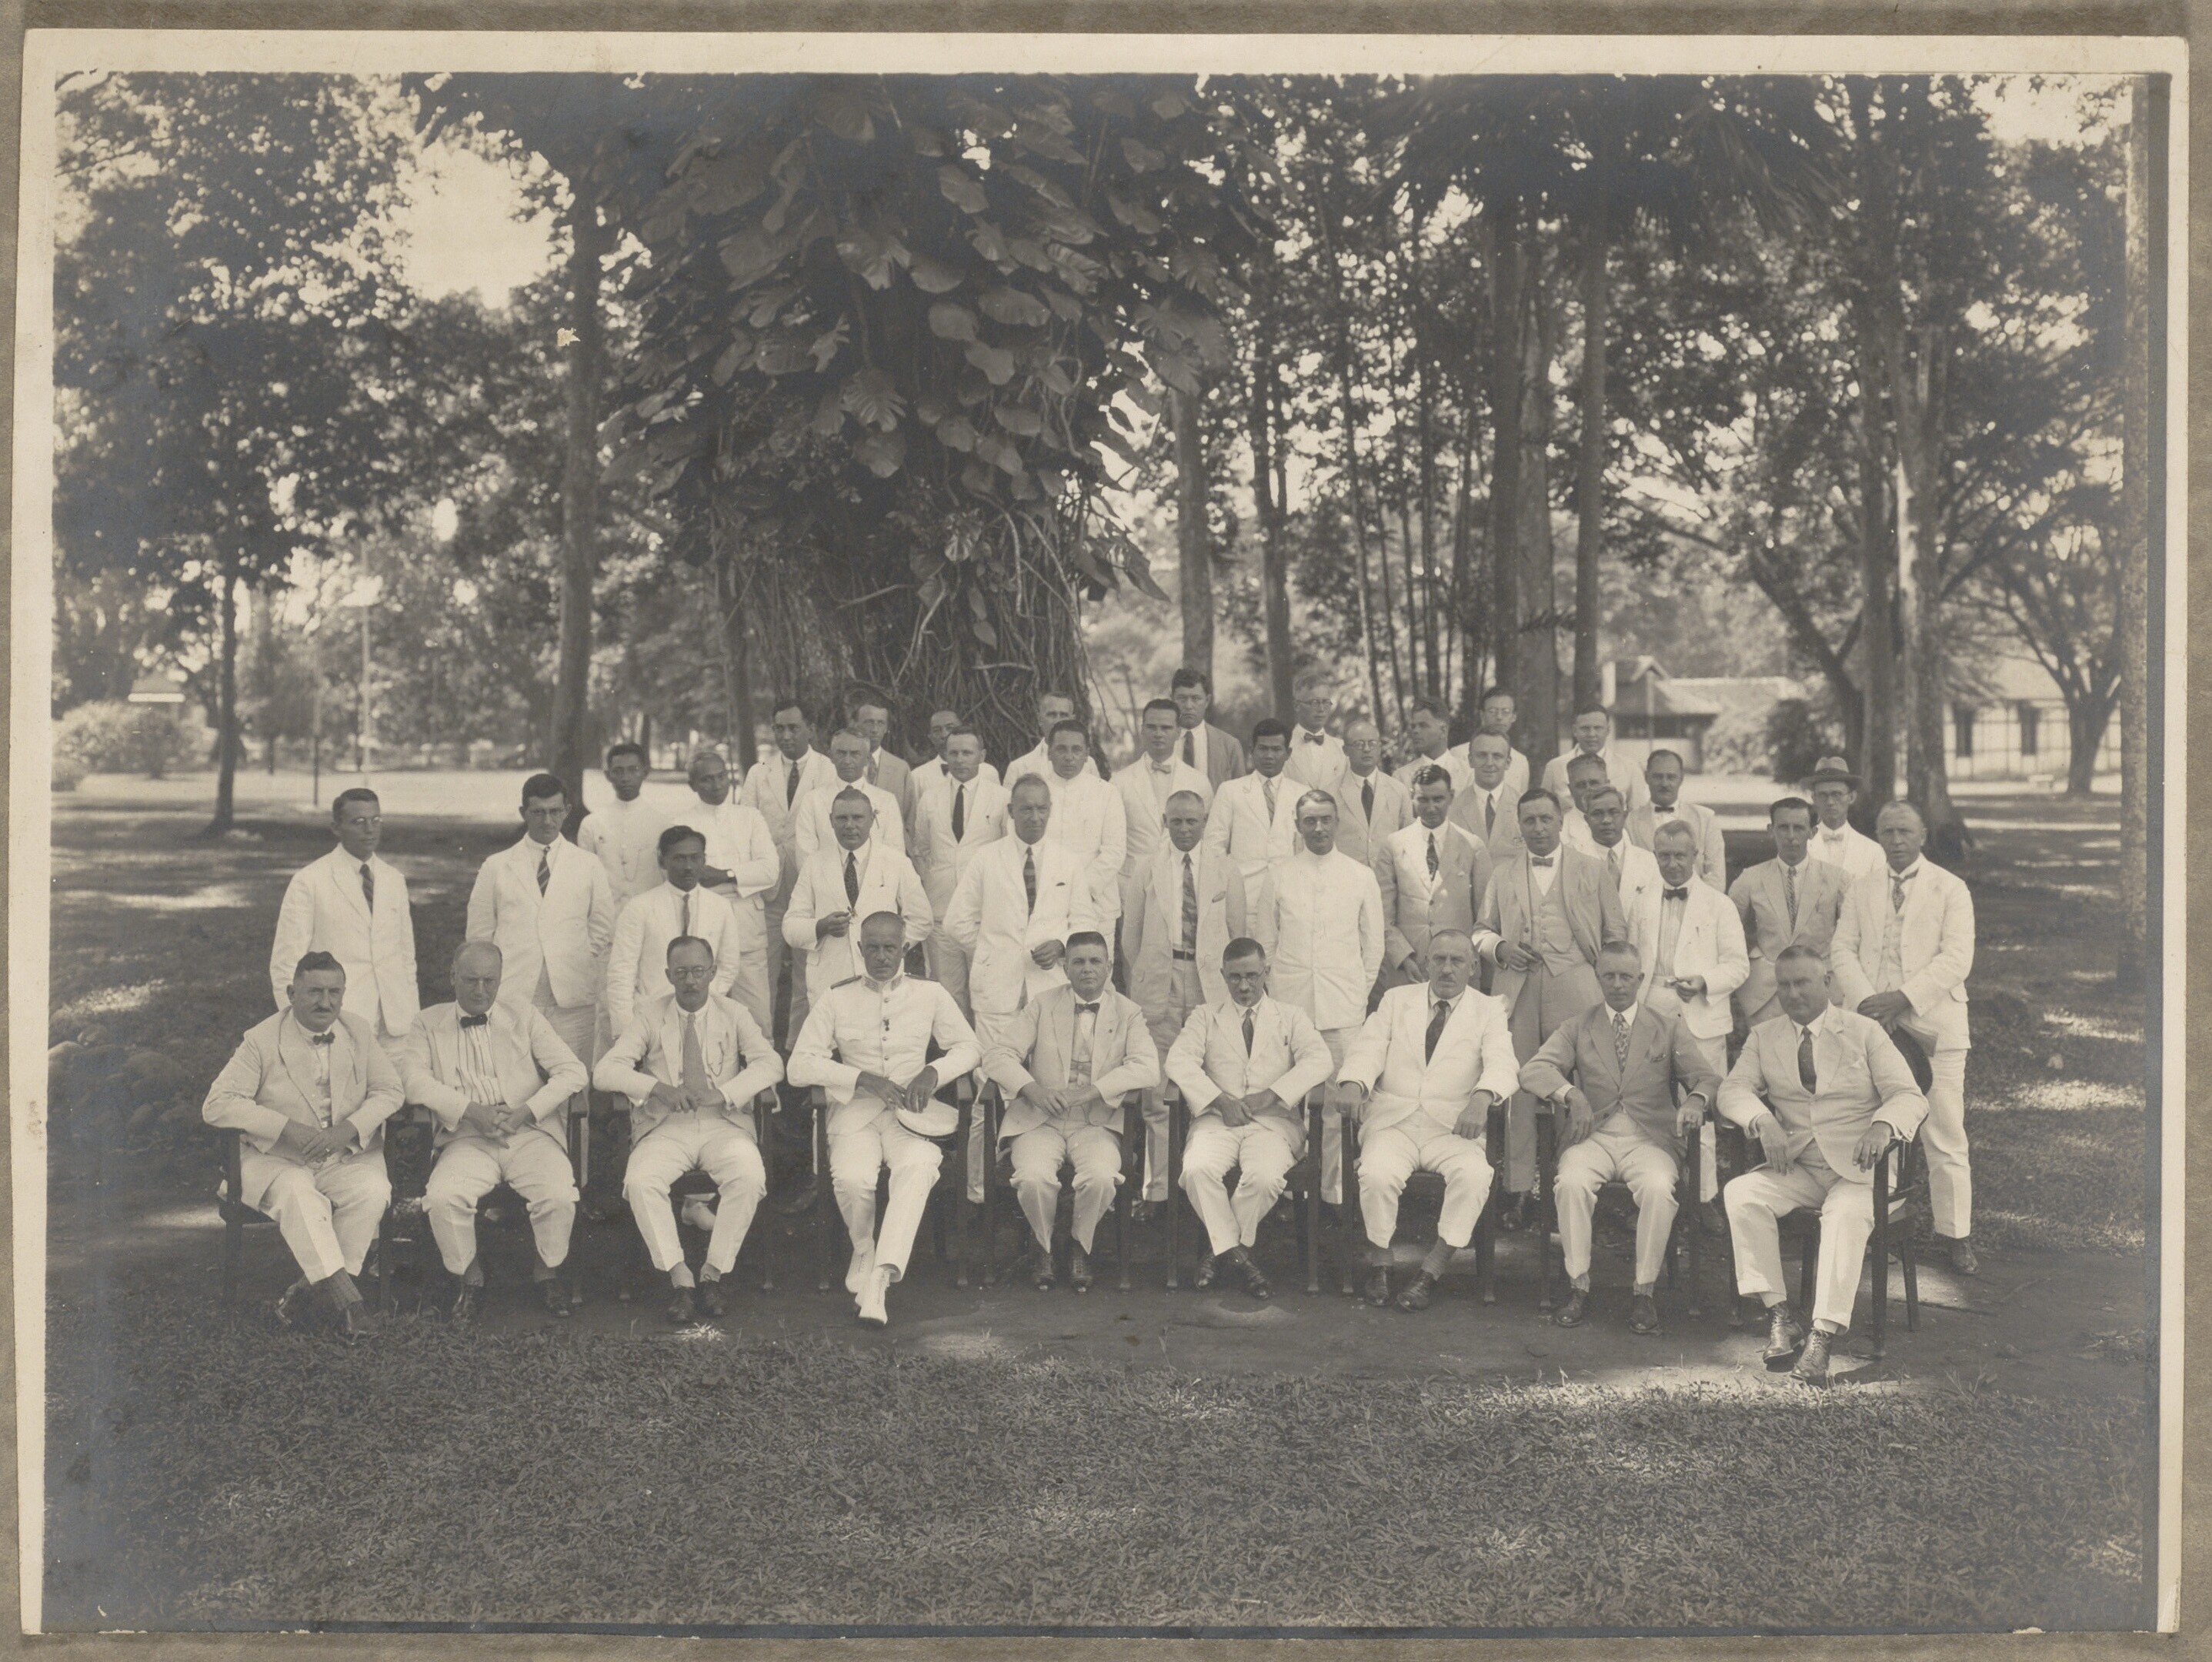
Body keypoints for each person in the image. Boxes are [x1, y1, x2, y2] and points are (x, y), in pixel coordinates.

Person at [1720, 945, 1928, 1386]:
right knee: (1741, 1193)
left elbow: (1909, 1096)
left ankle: (1822, 1335)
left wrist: (1883, 1126)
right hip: (1800, 1167)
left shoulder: (1864, 1031)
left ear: (1827, 983)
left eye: (1803, 983)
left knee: (1844, 1214)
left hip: (1861, 1173)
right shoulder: (1764, 1036)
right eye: (1784, 985)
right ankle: (1780, 1314)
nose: (1792, 994)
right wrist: (1761, 1120)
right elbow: (1732, 1090)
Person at [788, 913, 983, 1327]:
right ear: (859, 949)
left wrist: (934, 1072)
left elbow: (969, 1047)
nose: (880, 956)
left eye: (889, 948)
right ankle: (864, 1248)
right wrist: (860, 1078)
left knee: (919, 1167)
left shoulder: (929, 993)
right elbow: (799, 1065)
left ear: (905, 949)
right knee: (853, 1177)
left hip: (912, 1116)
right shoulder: (836, 997)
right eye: (872, 948)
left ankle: (880, 1278)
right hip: (855, 1115)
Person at [1520, 941, 1720, 1333]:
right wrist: (1571, 1094)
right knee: (1571, 1183)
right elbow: (1534, 1070)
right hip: (1591, 1136)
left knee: (1659, 1189)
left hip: (1649, 1140)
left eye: (1626, 976)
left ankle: (1644, 1291)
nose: (1617, 984)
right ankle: (1578, 1284)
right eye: (1609, 976)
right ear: (1597, 978)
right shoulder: (1579, 1026)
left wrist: (1696, 1099)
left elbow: (1706, 1077)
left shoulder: (1667, 1026)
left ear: (1640, 979)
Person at [203, 952, 401, 1340]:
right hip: (275, 1158)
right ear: (292, 993)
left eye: (334, 992)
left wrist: (348, 1129)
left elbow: (390, 1090)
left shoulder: (357, 1031)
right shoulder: (262, 1039)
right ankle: (350, 1305)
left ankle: (304, 1294)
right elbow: (217, 1104)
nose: (325, 1002)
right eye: (314, 992)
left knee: (373, 1190)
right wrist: (286, 1128)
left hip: (340, 1155)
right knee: (299, 1193)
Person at [595, 935, 784, 1325]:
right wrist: (657, 1089)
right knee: (641, 1181)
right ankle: (679, 1277)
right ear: (668, 975)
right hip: (667, 1126)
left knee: (748, 1177)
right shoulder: (650, 1015)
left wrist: (725, 1094)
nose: (691, 981)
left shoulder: (734, 1013)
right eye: (681, 972)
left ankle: (713, 1273)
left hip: (723, 1124)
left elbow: (771, 1064)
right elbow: (605, 1071)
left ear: (713, 973)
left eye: (699, 971)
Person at [1829, 800, 1978, 1275]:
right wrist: (1871, 1004)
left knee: (1945, 1131)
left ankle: (1956, 1235)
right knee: (1876, 1125)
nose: (1896, 840)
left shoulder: (1950, 888)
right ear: (1877, 836)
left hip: (1935, 1026)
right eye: (1887, 831)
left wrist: (1902, 999)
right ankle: (1881, 1228)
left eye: (1905, 832)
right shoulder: (1861, 888)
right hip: (1872, 1027)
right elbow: (1842, 949)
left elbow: (1957, 958)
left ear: (1923, 836)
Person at [403, 941, 588, 1321]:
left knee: (557, 1194)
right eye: (470, 980)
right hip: (466, 1137)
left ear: (501, 979)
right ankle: (469, 1277)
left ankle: (547, 1271)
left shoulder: (523, 1015)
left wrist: (524, 1113)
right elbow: (413, 1081)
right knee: (444, 1197)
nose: (480, 990)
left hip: (528, 1132)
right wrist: (471, 1112)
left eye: (490, 981)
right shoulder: (427, 1023)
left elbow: (573, 1071)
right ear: (452, 976)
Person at [1336, 929, 1519, 1312]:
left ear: (1473, 966)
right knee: (1376, 1174)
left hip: (1452, 1127)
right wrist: (1354, 1082)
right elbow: (1368, 1047)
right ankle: (1381, 1263)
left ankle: (1431, 1270)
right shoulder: (1396, 1000)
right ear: (1426, 962)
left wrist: (1482, 1098)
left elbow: (1503, 1062)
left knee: (1474, 1176)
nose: (1447, 969)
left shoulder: (1488, 1010)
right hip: (1395, 1121)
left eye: (1457, 961)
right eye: (1439, 959)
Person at [1472, 789, 1629, 1229]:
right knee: (1519, 1087)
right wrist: (1500, 948)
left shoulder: (1592, 870)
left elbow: (1616, 933)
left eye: (1546, 819)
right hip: (1517, 992)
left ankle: (1574, 1185)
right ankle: (1519, 1189)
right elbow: (1480, 930)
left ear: (1561, 822)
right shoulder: (1503, 873)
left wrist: (1606, 985)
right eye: (1530, 821)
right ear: (1519, 826)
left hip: (1577, 986)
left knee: (1578, 1086)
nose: (1538, 828)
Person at [941, 774, 1101, 1200]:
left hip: (1050, 990)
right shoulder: (986, 859)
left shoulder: (1067, 861)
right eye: (1025, 808)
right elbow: (956, 922)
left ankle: (1037, 1182)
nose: (1034, 816)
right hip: (998, 992)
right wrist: (995, 952)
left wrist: (1062, 945)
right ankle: (978, 1190)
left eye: (1041, 808)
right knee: (988, 1086)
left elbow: (1085, 922)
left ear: (1051, 811)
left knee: (1049, 1083)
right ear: (1011, 811)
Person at [981, 931, 1159, 1291]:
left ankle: (1080, 1243)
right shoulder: (1042, 1004)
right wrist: (1034, 1090)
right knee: (1033, 1178)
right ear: (1065, 968)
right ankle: (1044, 1246)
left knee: (1101, 1177)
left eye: (1095, 961)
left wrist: (1093, 1091)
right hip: (1040, 1120)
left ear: (1109, 967)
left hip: (1095, 1122)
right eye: (1078, 962)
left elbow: (1148, 1068)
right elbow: (997, 1055)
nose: (1087, 969)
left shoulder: (1128, 1012)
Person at [1165, 936, 1334, 1297]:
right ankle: (1240, 1258)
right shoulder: (1205, 1016)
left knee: (1264, 1178)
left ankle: (1218, 1253)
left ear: (1266, 972)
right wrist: (1219, 1100)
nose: (1244, 986)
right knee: (1196, 1170)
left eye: (1252, 976)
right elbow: (1178, 1061)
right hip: (1217, 1121)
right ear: (1223, 975)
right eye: (1235, 977)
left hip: (1272, 1124)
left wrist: (1271, 1095)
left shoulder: (1291, 1016)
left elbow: (1320, 1060)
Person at [1251, 789, 1386, 1207]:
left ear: (1337, 822)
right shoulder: (1280, 875)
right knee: (1288, 1100)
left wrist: (1354, 995)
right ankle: (1288, 1194)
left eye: (1326, 819)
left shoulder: (1360, 876)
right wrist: (1279, 996)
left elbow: (1373, 948)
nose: (1319, 828)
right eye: (1310, 821)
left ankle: (1332, 1195)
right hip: (1290, 1006)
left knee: (1336, 1105)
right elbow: (1265, 944)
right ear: (1298, 825)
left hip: (1343, 1008)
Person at [1123, 789, 1249, 1211]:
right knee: (1157, 1091)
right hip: (1160, 982)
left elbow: (1237, 933)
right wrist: (1155, 972)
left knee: (1213, 1081)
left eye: (1192, 821)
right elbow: (1131, 938)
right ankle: (1158, 1192)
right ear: (1164, 821)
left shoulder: (1226, 868)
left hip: (1209, 983)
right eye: (1175, 821)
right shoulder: (1147, 868)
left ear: (1205, 822)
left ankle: (1207, 1187)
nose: (1184, 829)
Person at [464, 774, 616, 1104]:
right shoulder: (497, 866)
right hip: (515, 993)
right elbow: (479, 935)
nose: (547, 821)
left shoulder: (588, 864)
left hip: (571, 997)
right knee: (512, 1084)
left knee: (572, 1086)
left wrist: (574, 956)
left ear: (567, 811)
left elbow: (603, 926)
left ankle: (573, 1139)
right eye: (538, 812)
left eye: (555, 811)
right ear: (523, 813)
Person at [1633, 819, 1750, 1230]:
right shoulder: (1641, 899)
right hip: (1651, 1010)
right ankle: (1655, 1196)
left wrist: (1704, 982)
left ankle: (1703, 1198)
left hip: (1700, 1014)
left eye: (1680, 856)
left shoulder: (1719, 904)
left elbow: (1739, 965)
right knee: (1650, 1105)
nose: (1673, 864)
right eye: (1664, 856)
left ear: (1696, 856)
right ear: (1655, 856)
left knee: (1700, 1108)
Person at [269, 787, 419, 1055]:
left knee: (396, 1082)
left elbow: (406, 956)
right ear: (336, 828)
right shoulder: (310, 881)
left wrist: (411, 1011)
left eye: (376, 820)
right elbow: (286, 963)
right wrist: (300, 1027)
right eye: (358, 822)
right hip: (340, 1021)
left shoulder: (393, 879)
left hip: (396, 1023)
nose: (369, 830)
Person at [739, 699, 841, 1043]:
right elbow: (746, 826)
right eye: (779, 728)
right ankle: (759, 1047)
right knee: (761, 972)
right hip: (767, 887)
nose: (785, 736)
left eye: (793, 728)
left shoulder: (829, 770)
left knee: (807, 970)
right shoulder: (759, 772)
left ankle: (801, 1047)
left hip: (810, 887)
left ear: (810, 729)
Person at [784, 787, 934, 1010]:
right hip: (828, 979)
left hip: (882, 979)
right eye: (842, 818)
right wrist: (821, 926)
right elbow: (790, 927)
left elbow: (922, 919)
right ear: (831, 821)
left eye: (858, 817)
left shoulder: (896, 862)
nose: (850, 825)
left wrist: (888, 947)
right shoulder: (814, 864)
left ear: (873, 819)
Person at [906, 725, 1008, 1016]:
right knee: (948, 992)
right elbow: (922, 849)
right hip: (941, 911)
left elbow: (1007, 853)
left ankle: (985, 1043)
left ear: (982, 756)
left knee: (987, 988)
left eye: (967, 753)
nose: (960, 759)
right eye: (954, 753)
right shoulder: (930, 798)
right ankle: (955, 1044)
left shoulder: (1002, 798)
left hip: (984, 914)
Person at [604, 826, 743, 1036]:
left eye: (695, 858)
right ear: (663, 861)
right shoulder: (639, 907)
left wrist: (702, 998)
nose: (688, 867)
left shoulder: (721, 907)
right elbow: (621, 972)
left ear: (704, 860)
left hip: (705, 1017)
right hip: (650, 1019)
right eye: (679, 859)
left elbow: (729, 966)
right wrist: (626, 1031)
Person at [1729, 796, 1850, 1029]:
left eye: (1799, 828)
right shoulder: (1750, 879)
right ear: (1770, 830)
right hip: (1768, 993)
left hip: (1823, 991)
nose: (1791, 836)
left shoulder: (1838, 879)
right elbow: (1727, 933)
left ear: (1813, 832)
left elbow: (1854, 935)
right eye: (1783, 828)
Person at [684, 746, 781, 1033]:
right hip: (703, 928)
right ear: (693, 785)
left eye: (721, 776)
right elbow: (690, 877)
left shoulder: (750, 817)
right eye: (706, 779)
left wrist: (725, 875)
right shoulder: (682, 823)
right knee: (705, 1016)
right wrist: (743, 877)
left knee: (757, 1018)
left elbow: (770, 870)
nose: (717, 785)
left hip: (747, 930)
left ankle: (761, 1063)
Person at [1378, 766, 1493, 993]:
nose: (1431, 808)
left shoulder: (1472, 846)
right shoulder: (1393, 845)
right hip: (1408, 970)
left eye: (1438, 799)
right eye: (1423, 799)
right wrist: (1403, 958)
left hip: (1459, 969)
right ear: (1412, 797)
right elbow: (1382, 915)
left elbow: (1485, 918)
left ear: (1451, 797)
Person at [1113, 698, 1211, 919]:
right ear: (1142, 730)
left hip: (1183, 886)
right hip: (1132, 887)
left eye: (1166, 728)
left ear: (1178, 732)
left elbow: (1206, 839)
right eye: (1152, 727)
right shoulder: (1119, 782)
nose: (1158, 734)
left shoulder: (1198, 781)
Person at [1035, 719, 1128, 935]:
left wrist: (1079, 890)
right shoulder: (1036, 791)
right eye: (1061, 749)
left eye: (1076, 750)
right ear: (1049, 753)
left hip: (1096, 904)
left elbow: (1114, 851)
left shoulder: (1106, 792)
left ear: (1087, 754)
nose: (1069, 757)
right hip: (1045, 902)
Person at [1202, 719, 1301, 895]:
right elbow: (1214, 845)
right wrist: (1224, 886)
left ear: (1288, 753)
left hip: (1289, 890)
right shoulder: (1230, 790)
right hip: (1244, 891)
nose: (1269, 756)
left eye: (1276, 749)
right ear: (1252, 751)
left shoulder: (1302, 794)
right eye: (1263, 749)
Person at [577, 742, 673, 906]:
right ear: (608, 775)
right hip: (606, 914)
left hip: (650, 912)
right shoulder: (592, 824)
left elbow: (669, 876)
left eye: (633, 770)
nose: (626, 778)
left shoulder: (663, 823)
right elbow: (584, 877)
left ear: (645, 772)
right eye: (618, 771)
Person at [793, 729, 906, 864]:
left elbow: (895, 855)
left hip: (875, 876)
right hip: (824, 876)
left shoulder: (886, 801)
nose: (847, 761)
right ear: (831, 757)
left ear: (867, 759)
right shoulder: (812, 800)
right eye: (841, 753)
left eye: (855, 754)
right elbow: (806, 857)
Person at [1629, 749, 1726, 886]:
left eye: (1671, 777)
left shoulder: (1706, 819)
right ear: (1646, 777)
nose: (1664, 783)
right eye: (1658, 777)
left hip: (1698, 898)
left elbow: (1716, 878)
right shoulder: (1630, 823)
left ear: (1681, 778)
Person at [1330, 719, 1410, 869]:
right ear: (1345, 750)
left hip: (1387, 877)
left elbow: (1408, 841)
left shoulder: (1398, 790)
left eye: (1372, 744)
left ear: (1379, 748)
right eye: (1359, 744)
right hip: (1347, 876)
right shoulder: (1330, 793)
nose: (1366, 749)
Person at [1540, 706, 1651, 815]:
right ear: (1574, 731)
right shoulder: (1555, 767)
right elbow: (1544, 811)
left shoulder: (1630, 767)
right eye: (1585, 728)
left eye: (1598, 728)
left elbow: (1639, 813)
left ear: (1608, 730)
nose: (1592, 734)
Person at [1579, 785, 1662, 926]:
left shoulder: (1648, 861)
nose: (1606, 820)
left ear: (1625, 815)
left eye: (1614, 812)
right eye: (1597, 814)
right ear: (1587, 819)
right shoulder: (1575, 861)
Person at [1448, 731, 1525, 868]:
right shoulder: (1453, 808)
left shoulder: (1524, 806)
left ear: (1508, 763)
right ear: (1470, 760)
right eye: (1482, 755)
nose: (1489, 763)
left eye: (1497, 756)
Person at [1805, 756, 1887, 882]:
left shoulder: (1873, 851)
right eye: (1823, 795)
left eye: (1837, 794)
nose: (1830, 802)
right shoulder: (1802, 846)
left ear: (1851, 797)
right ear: (1814, 799)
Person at [1169, 666, 1247, 788]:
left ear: (1207, 701)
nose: (1189, 706)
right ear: (1172, 699)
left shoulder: (1229, 745)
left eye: (1196, 699)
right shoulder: (1158, 741)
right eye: (1182, 699)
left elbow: (1241, 793)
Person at [1006, 689, 1099, 785]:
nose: (1058, 721)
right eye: (1052, 715)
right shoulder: (1019, 768)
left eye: (1063, 715)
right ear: (1040, 719)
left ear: (1072, 719)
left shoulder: (1088, 764)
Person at [909, 707, 1001, 803]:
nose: (944, 735)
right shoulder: (918, 777)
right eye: (937, 730)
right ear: (931, 737)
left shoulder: (987, 771)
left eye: (950, 728)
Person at [1283, 669, 1348, 793]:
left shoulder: (1342, 748)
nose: (1321, 709)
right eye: (1314, 702)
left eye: (1326, 702)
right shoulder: (1283, 747)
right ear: (1297, 705)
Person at [1393, 696, 1471, 793]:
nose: (1415, 731)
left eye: (1423, 725)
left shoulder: (1469, 774)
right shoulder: (1401, 778)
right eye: (1413, 726)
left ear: (1443, 731)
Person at [847, 695, 911, 810]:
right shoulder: (843, 765)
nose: (875, 730)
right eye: (869, 723)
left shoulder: (901, 769)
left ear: (886, 728)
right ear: (855, 724)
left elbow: (909, 816)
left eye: (881, 723)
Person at [1467, 686, 1530, 800]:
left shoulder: (1521, 761)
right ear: (1482, 715)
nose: (1499, 717)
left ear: (1514, 717)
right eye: (1492, 712)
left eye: (1505, 712)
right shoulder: (1458, 754)